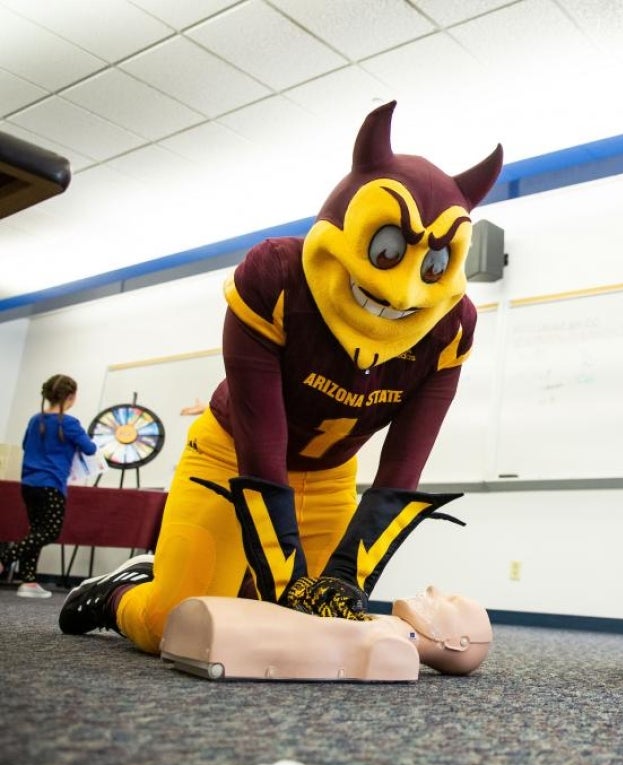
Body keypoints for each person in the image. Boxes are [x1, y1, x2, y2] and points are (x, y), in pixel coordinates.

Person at [58, 101, 503, 655]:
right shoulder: (276, 279)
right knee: (174, 628)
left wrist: (347, 577)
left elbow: (403, 464)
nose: (406, 292)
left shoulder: (449, 329)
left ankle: (217, 576)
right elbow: (261, 438)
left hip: (329, 476)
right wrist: (286, 570)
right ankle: (121, 592)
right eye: (388, 249)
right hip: (231, 457)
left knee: (304, 626)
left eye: (433, 267)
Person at [158, 585, 492, 681]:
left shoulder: (397, 647)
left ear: (457, 642)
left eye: (450, 601)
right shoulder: (387, 628)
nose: (433, 588)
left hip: (233, 631)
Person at [1, 375, 98, 599]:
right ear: (71, 397)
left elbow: (27, 445)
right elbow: (90, 449)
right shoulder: (70, 423)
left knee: (35, 531)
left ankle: (29, 582)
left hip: (29, 484)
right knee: (49, 531)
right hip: (52, 485)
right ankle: (4, 559)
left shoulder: (37, 420)